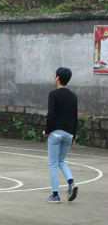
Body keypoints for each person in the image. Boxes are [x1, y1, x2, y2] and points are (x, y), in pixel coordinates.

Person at [43, 67, 78, 203]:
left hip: (56, 133)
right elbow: (75, 117)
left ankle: (55, 195)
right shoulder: (73, 96)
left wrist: (47, 130)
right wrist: (74, 135)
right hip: (69, 134)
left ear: (57, 78)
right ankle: (71, 183)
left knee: (52, 164)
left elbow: (51, 114)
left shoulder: (53, 94)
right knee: (61, 161)